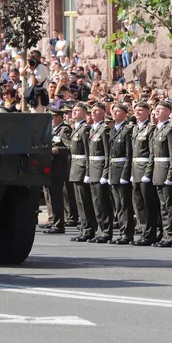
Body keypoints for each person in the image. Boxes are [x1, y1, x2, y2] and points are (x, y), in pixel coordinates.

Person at [130, 102, 160, 246]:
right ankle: (144, 231)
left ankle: (150, 233)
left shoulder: (151, 129)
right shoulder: (136, 128)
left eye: (141, 110)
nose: (137, 112)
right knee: (139, 204)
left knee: (149, 205)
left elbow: (152, 153)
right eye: (136, 110)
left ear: (148, 112)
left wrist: (148, 173)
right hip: (136, 170)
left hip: (145, 170)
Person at [68, 103, 98, 242]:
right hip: (75, 167)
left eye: (77, 110)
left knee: (85, 201)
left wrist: (87, 171)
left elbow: (87, 151)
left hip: (81, 167)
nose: (73, 112)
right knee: (79, 201)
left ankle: (88, 229)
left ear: (85, 113)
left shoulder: (85, 129)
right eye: (73, 110)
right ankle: (84, 227)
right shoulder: (77, 128)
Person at [151, 101, 172, 247]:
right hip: (158, 170)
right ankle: (164, 233)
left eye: (160, 109)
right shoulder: (157, 129)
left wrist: (170, 175)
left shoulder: (170, 129)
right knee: (162, 205)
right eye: (156, 109)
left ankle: (171, 234)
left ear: (168, 113)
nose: (156, 111)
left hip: (166, 169)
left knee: (169, 205)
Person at [108, 104, 136, 244]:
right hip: (114, 170)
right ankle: (121, 231)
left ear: (125, 114)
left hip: (122, 170)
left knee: (125, 204)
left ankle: (127, 233)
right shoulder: (113, 130)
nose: (114, 113)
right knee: (118, 205)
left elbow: (129, 154)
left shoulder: (127, 130)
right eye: (113, 111)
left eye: (118, 111)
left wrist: (126, 174)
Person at [87, 102, 114, 243]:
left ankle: (106, 231)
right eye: (92, 110)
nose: (93, 113)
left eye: (97, 111)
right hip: (92, 169)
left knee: (103, 202)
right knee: (96, 202)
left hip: (100, 169)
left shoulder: (104, 129)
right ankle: (100, 230)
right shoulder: (93, 129)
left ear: (104, 113)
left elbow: (108, 153)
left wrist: (105, 173)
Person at [43, 108, 73, 234]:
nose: (51, 120)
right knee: (50, 197)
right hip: (51, 166)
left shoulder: (64, 130)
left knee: (56, 197)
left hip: (58, 167)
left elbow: (69, 147)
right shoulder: (53, 130)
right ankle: (53, 220)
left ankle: (59, 224)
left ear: (59, 117)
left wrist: (57, 150)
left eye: (53, 117)